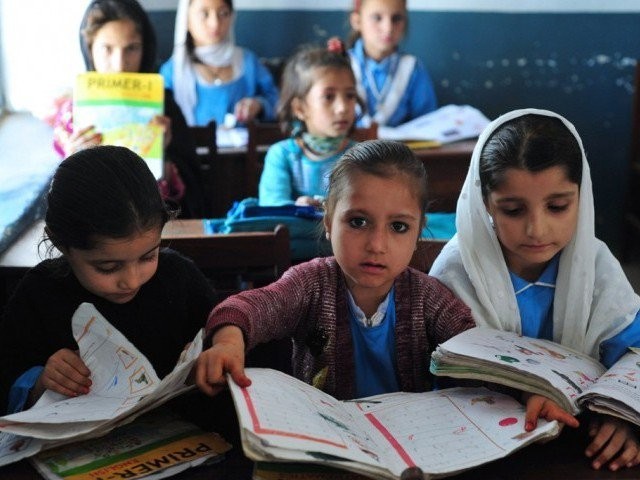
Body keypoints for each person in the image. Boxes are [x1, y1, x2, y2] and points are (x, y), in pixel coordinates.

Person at [430, 108, 640, 471]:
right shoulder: (455, 272)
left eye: (558, 206)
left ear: (582, 196)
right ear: (484, 205)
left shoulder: (597, 266)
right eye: (513, 210)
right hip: (484, 445)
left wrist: (622, 415)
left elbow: (634, 353)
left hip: (581, 442)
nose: (537, 230)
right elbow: (441, 374)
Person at [194, 139, 476, 400]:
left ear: (418, 232)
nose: (377, 245)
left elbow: (478, 351)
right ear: (328, 221)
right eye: (357, 222)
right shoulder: (310, 285)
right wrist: (227, 343)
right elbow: (249, 308)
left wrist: (517, 388)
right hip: (330, 441)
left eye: (399, 227)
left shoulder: (428, 296)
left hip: (413, 442)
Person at [0, 145, 216, 415]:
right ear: (61, 243)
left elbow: (224, 333)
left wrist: (212, 354)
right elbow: (7, 379)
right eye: (108, 267)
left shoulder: (181, 280)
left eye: (148, 257)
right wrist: (40, 382)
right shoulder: (38, 295)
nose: (132, 281)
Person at [44, 0, 205, 218]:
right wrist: (73, 162)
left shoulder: (165, 107)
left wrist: (163, 155)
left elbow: (187, 197)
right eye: (106, 49)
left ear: (145, 49)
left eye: (131, 48)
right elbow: (62, 206)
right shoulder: (72, 117)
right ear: (89, 49)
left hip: (152, 230)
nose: (120, 63)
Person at [258, 41, 360, 207]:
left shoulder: (361, 158)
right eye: (328, 97)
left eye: (350, 95)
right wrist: (299, 208)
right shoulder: (282, 155)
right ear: (300, 108)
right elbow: (272, 209)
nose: (342, 108)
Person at [160, 0, 279, 126]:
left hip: (242, 145)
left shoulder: (247, 61)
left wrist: (259, 105)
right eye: (204, 14)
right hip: (193, 145)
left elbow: (278, 102)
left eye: (223, 13)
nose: (215, 23)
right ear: (186, 19)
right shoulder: (173, 71)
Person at [347, 0, 437, 127]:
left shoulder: (413, 68)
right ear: (357, 21)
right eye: (377, 18)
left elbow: (427, 123)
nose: (388, 28)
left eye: (397, 18)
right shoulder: (341, 65)